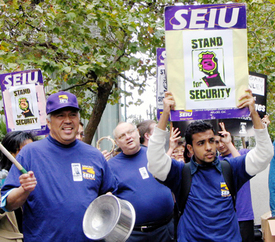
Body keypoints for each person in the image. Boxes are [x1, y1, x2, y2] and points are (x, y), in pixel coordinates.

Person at [147, 90, 273, 242]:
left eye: (211, 140)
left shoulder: (231, 168)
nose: (209, 147)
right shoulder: (180, 173)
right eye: (201, 143)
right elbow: (155, 162)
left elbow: (264, 154)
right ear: (190, 149)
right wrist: (165, 115)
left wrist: (253, 113)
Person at [1, 91, 118, 242]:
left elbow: (109, 193)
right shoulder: (29, 153)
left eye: (72, 115)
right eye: (60, 116)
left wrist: (108, 201)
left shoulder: (94, 155)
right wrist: (23, 190)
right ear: (48, 122)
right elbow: (8, 204)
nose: (68, 120)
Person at [108, 122, 175, 242]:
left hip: (166, 229)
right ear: (117, 142)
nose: (128, 137)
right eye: (122, 136)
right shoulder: (110, 167)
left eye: (130, 132)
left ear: (138, 133)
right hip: (135, 234)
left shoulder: (155, 156)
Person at [215, 122, 254, 242]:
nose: (221, 145)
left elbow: (241, 166)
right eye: (217, 142)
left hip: (243, 216)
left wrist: (229, 144)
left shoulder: (242, 153)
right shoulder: (214, 162)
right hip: (223, 218)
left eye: (223, 140)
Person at [0, 131, 36, 242]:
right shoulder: (3, 179)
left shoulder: (38, 176)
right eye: (26, 150)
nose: (32, 154)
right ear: (11, 154)